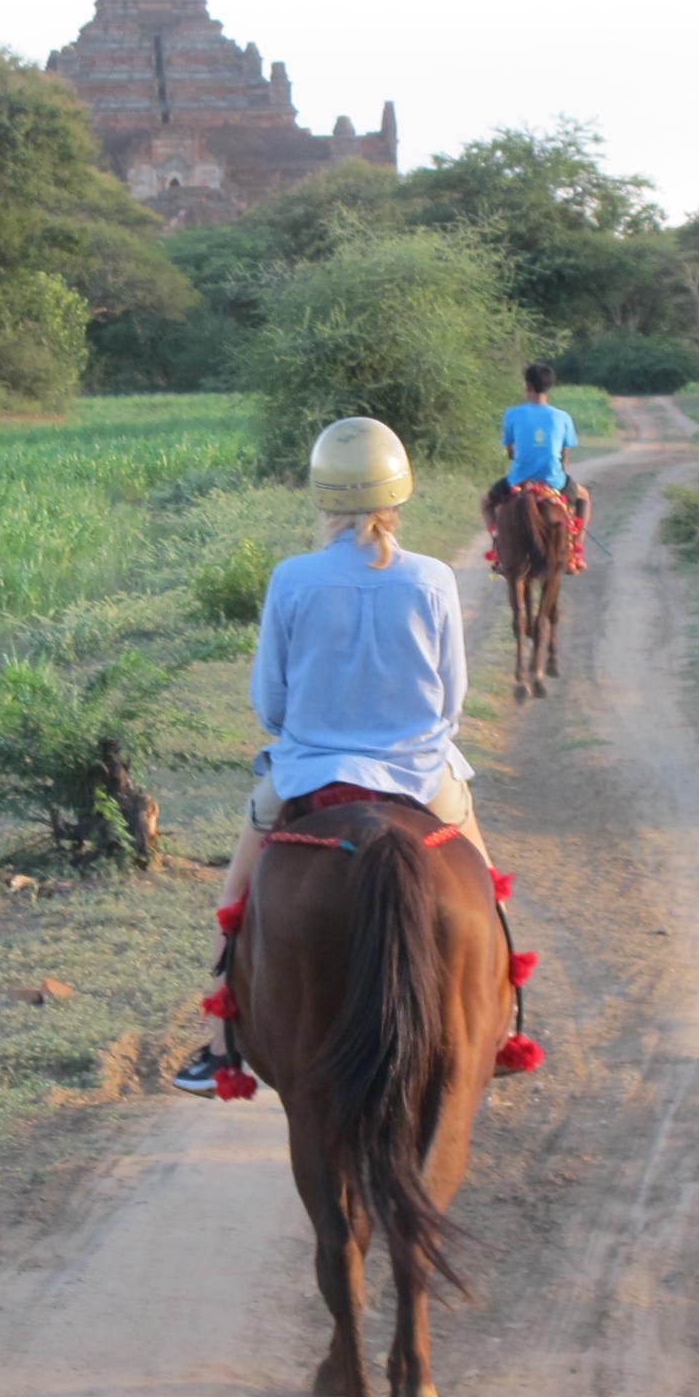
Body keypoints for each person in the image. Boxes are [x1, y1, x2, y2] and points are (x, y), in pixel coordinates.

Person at [172, 416, 491, 1097]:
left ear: (323, 500)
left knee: (236, 902)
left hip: (309, 773)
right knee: (484, 897)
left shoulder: (293, 579)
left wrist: (315, 730)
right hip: (421, 775)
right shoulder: (433, 579)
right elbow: (451, 702)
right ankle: (501, 1023)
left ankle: (220, 1048)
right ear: (398, 498)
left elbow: (271, 703)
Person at [482, 362, 590, 561]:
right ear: (550, 386)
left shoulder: (512, 414)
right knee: (584, 497)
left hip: (518, 482)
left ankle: (499, 543)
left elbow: (511, 453)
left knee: (486, 502)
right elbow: (564, 457)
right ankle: (576, 548)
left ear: (527, 386)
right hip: (554, 482)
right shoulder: (563, 417)